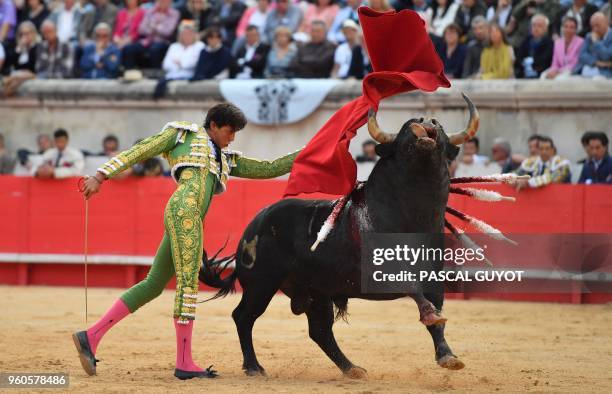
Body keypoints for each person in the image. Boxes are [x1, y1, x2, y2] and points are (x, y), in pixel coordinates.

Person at [73, 102, 302, 380]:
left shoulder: (224, 158)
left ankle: (91, 336)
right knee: (188, 282)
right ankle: (184, 363)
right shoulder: (183, 134)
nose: (233, 138)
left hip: (187, 215)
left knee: (154, 284)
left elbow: (269, 168)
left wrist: (312, 151)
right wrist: (101, 175)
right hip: (186, 212)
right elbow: (141, 149)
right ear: (214, 124)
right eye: (230, 131)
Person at [122, 0, 179, 70]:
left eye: (165, 1)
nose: (162, 2)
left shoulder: (174, 13)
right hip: (147, 41)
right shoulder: (150, 11)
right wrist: (158, 28)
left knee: (155, 49)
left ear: (170, 2)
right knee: (129, 48)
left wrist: (153, 27)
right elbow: (141, 29)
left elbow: (167, 32)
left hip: (163, 41)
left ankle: (156, 73)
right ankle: (130, 72)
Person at [514, 14, 554, 78]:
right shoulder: (526, 40)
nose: (536, 28)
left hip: (541, 76)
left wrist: (532, 63)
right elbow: (519, 57)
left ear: (546, 28)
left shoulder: (550, 43)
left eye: (539, 26)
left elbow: (545, 60)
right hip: (524, 75)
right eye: (533, 25)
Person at [575, 12, 612, 78]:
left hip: (605, 73)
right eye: (592, 26)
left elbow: (606, 56)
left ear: (606, 22)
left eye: (597, 25)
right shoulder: (589, 36)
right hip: (587, 69)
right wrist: (596, 62)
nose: (595, 29)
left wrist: (596, 42)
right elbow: (581, 55)